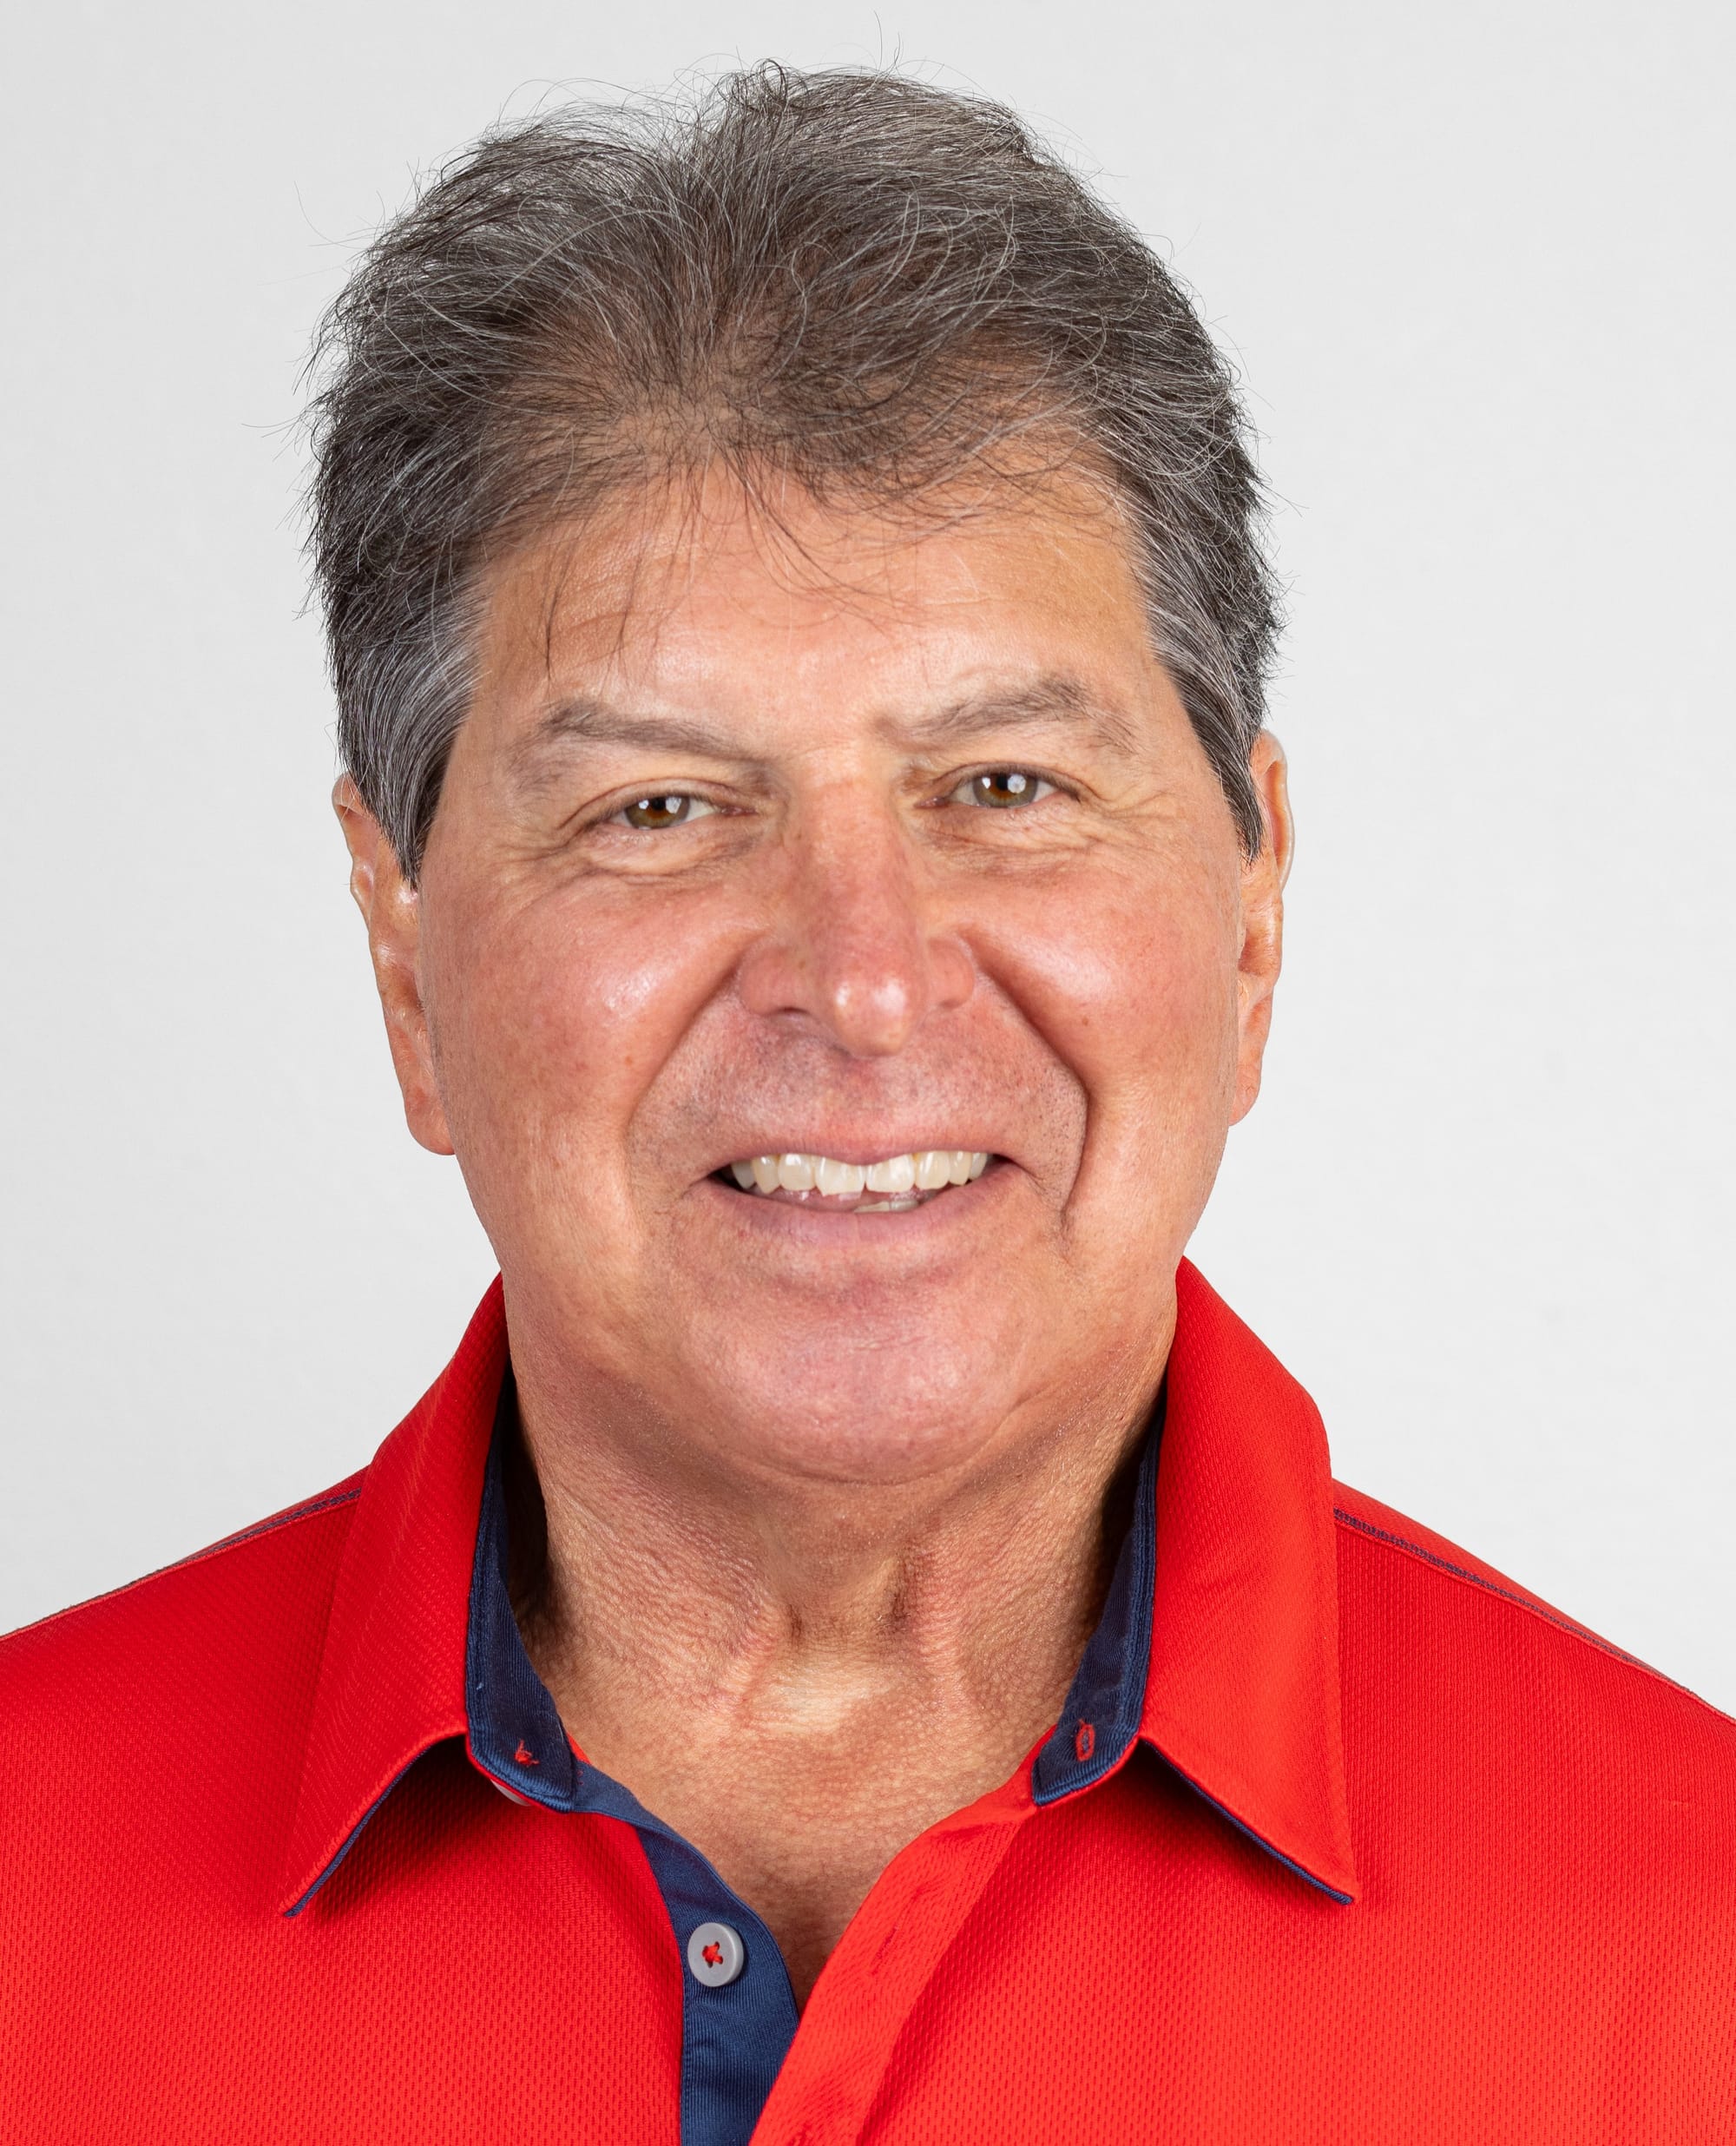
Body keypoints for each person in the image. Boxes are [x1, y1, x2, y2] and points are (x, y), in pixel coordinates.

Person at [1, 64, 1730, 2145]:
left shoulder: (1696, 1955)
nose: (865, 980)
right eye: (659, 808)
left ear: (1253, 910)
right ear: (403, 956)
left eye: (1003, 785)